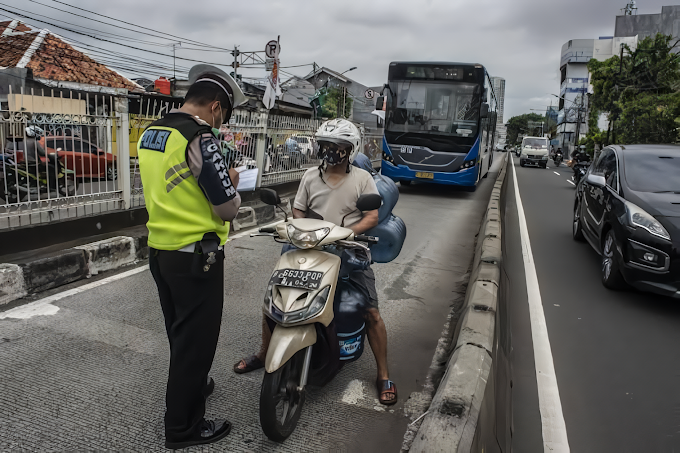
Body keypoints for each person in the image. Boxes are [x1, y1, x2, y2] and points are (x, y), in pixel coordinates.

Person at [234, 119, 398, 406]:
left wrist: (347, 233)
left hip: (348, 249)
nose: (330, 151)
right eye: (325, 146)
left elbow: (371, 216)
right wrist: (304, 230)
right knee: (273, 302)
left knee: (371, 311)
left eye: (337, 147)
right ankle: (264, 352)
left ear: (350, 150)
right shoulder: (311, 176)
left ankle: (383, 374)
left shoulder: (362, 179)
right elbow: (298, 209)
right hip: (310, 247)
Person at [138, 64, 247, 449]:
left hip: (161, 251)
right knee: (195, 342)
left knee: (179, 332)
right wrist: (233, 183)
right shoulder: (200, 137)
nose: (220, 123)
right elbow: (227, 208)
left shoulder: (153, 132)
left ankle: (196, 383)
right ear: (215, 107)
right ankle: (184, 428)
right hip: (196, 257)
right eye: (224, 116)